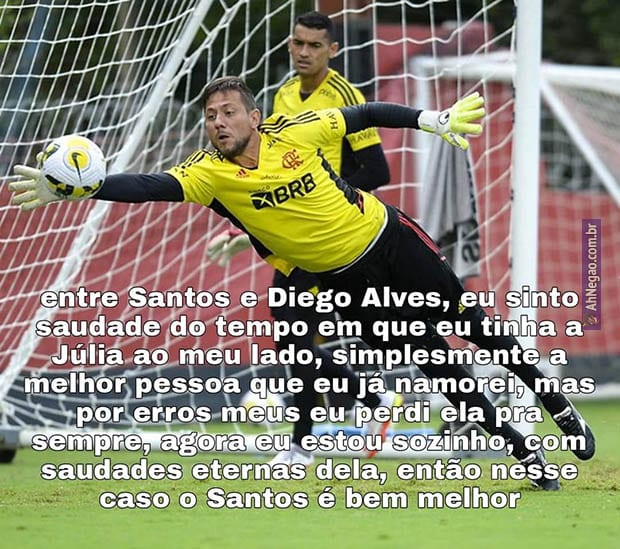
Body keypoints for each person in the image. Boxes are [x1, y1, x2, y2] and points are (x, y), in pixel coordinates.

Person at [9, 76, 595, 491]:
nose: (218, 123)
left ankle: (555, 403)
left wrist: (431, 120)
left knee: (478, 329)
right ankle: (523, 450)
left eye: (228, 112)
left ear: (254, 117)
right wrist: (85, 186)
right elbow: (146, 187)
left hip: (389, 239)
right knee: (435, 362)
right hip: (347, 282)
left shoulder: (297, 132)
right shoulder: (207, 174)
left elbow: (364, 115)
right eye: (210, 116)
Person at [206, 11, 393, 466]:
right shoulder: (284, 94)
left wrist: (327, 195)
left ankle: (306, 442)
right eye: (297, 43)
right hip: (294, 235)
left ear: (333, 50)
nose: (303, 52)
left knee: (297, 335)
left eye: (314, 45)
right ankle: (367, 403)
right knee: (292, 336)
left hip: (330, 231)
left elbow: (377, 170)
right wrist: (248, 229)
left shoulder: (345, 96)